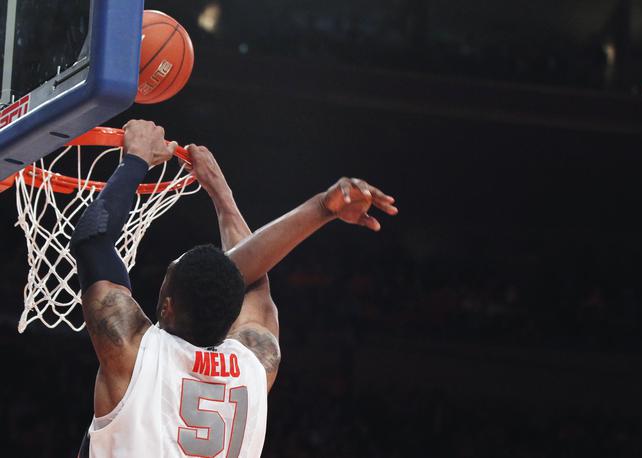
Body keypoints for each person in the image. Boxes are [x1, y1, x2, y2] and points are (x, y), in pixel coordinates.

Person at [72, 120, 398, 457]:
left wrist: (137, 159)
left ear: (166, 306)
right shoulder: (254, 364)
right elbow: (253, 278)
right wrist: (222, 193)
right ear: (232, 320)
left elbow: (92, 240)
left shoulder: (134, 353)